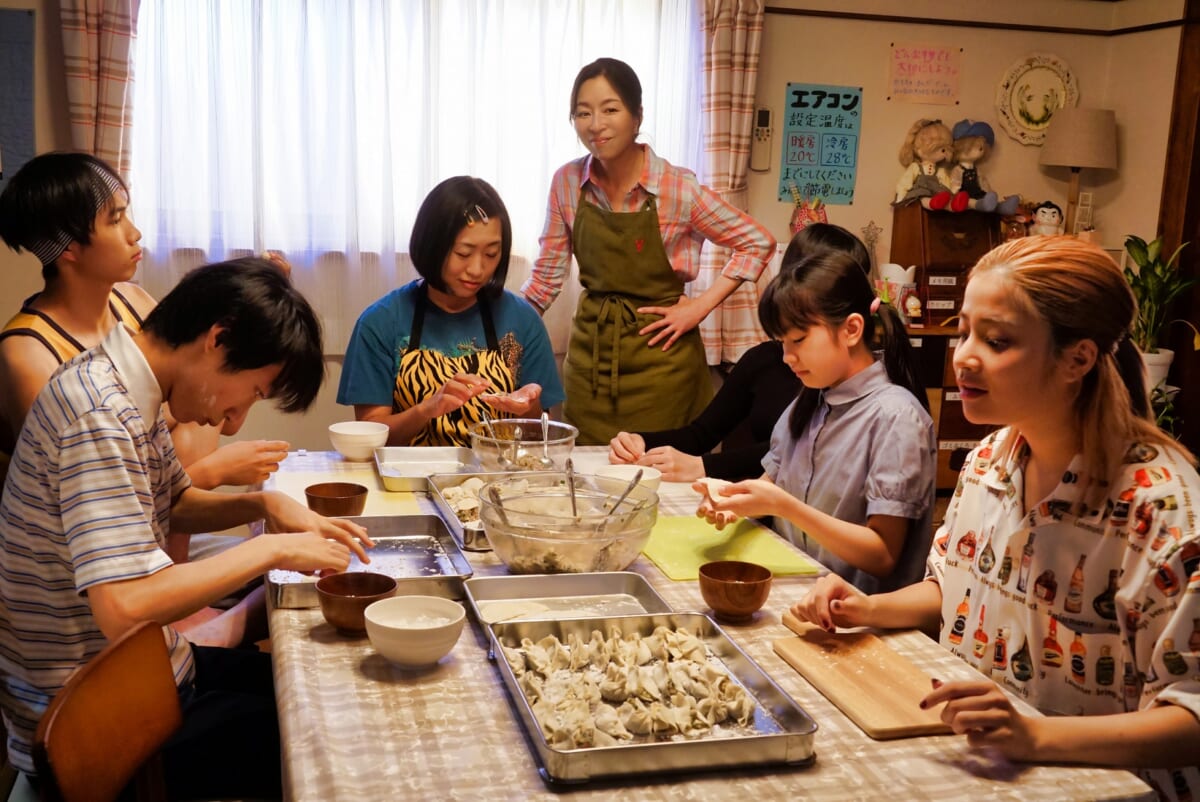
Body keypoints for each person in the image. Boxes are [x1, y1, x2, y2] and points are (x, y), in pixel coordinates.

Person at [791, 237, 1200, 798]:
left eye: (997, 340)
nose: (963, 355)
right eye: (964, 331)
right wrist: (867, 607)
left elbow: (1190, 721)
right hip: (987, 768)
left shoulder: (1163, 509)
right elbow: (952, 587)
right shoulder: (989, 462)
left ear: (1077, 358)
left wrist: (1035, 736)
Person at [0, 258, 372, 799]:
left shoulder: (126, 384)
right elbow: (124, 606)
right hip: (92, 717)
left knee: (329, 690)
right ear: (217, 340)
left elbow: (172, 502)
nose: (235, 420)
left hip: (143, 671)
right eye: (252, 391)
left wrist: (264, 504)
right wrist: (270, 551)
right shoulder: (98, 414)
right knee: (332, 739)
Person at [0, 152, 289, 648]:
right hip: (94, 643)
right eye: (115, 219)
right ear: (67, 247)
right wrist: (219, 474)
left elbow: (175, 436)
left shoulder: (131, 308)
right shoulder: (33, 356)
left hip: (147, 555)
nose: (135, 233)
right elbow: (105, 490)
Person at [522, 57, 776, 445]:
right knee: (584, 481)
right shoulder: (567, 182)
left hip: (664, 366)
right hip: (591, 362)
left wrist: (698, 307)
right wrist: (500, 326)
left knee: (660, 483)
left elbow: (756, 241)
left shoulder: (678, 188)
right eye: (583, 112)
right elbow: (545, 280)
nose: (595, 124)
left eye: (610, 109)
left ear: (637, 117)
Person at [697, 246, 936, 594]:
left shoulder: (896, 418)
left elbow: (881, 554)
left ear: (851, 329)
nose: (787, 356)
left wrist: (785, 507)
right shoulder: (810, 400)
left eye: (798, 340)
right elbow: (772, 482)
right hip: (798, 593)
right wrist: (733, 500)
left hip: (857, 616)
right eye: (781, 342)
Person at [606, 223, 870, 482]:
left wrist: (703, 466)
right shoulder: (766, 359)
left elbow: (801, 451)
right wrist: (641, 441)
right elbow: (703, 434)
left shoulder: (861, 385)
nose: (790, 357)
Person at [339, 176, 564, 447]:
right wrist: (426, 409)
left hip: (498, 478)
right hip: (406, 481)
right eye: (463, 253)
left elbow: (543, 436)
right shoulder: (381, 322)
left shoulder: (522, 320)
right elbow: (370, 435)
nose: (478, 269)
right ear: (433, 246)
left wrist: (529, 409)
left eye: (491, 254)